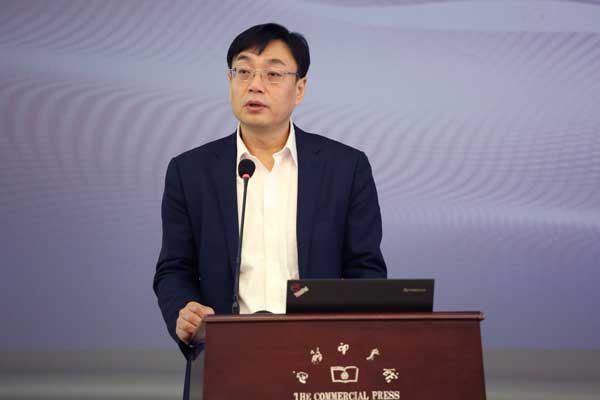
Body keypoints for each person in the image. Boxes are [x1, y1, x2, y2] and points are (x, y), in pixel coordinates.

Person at [153, 23, 387, 399]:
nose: (255, 85)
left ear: (300, 88)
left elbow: (365, 271)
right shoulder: (190, 171)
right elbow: (174, 269)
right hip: (224, 363)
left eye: (273, 74)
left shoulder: (346, 168)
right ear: (230, 81)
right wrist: (185, 311)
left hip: (320, 364)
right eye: (243, 71)